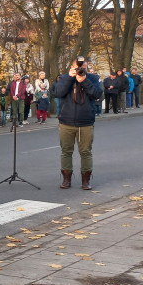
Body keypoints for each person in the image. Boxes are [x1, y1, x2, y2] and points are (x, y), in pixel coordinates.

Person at [55, 56, 102, 190]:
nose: (81, 70)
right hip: (66, 121)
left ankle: (86, 181)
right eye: (78, 68)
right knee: (66, 151)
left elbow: (97, 94)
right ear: (72, 67)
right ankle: (66, 180)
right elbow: (58, 92)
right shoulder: (64, 78)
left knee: (86, 152)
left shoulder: (92, 78)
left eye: (83, 68)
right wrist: (70, 78)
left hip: (85, 122)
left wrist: (85, 81)